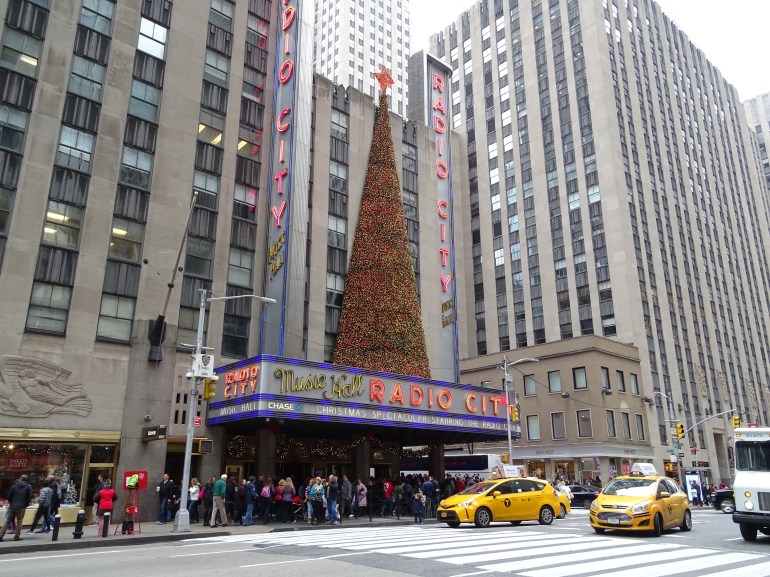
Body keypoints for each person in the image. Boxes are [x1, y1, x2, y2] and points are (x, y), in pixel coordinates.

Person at [0, 474, 32, 541]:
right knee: (19, 522)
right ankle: (16, 536)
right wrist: (25, 505)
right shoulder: (28, 486)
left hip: (12, 506)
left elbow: (9, 496)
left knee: (7, 521)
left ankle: (1, 535)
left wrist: (12, 503)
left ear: (20, 479)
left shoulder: (14, 486)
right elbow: (29, 497)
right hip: (21, 506)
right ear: (26, 480)